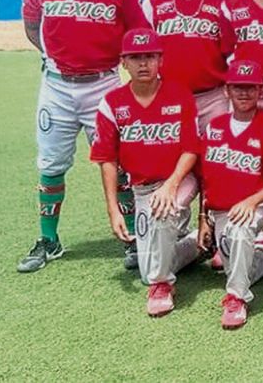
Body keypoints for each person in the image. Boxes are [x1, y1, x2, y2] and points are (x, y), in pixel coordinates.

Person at [18, 0, 147, 273]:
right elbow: (32, 29)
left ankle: (132, 238)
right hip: (57, 85)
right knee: (51, 165)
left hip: (104, 83)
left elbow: (137, 35)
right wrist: (59, 57)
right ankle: (49, 239)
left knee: (120, 162)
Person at [90, 28, 202, 317]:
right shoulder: (112, 103)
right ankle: (196, 244)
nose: (143, 64)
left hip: (180, 179)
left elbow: (191, 149)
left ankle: (163, 285)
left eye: (150, 57)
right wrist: (113, 209)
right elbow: (107, 159)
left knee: (162, 215)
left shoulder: (179, 95)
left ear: (160, 60)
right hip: (141, 188)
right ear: (123, 62)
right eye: (135, 57)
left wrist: (172, 185)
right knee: (145, 269)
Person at [197, 60, 263, 329]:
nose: (244, 93)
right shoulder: (214, 127)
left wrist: (252, 201)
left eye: (250, 88)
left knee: (238, 234)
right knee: (235, 263)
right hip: (219, 209)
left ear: (261, 91)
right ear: (227, 90)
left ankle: (237, 298)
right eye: (238, 87)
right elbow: (205, 178)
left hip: (255, 204)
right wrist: (204, 217)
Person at [143, 0, 234, 131]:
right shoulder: (153, 2)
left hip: (214, 98)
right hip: (167, 97)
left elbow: (234, 53)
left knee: (214, 158)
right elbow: (145, 54)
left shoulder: (225, 1)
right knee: (170, 160)